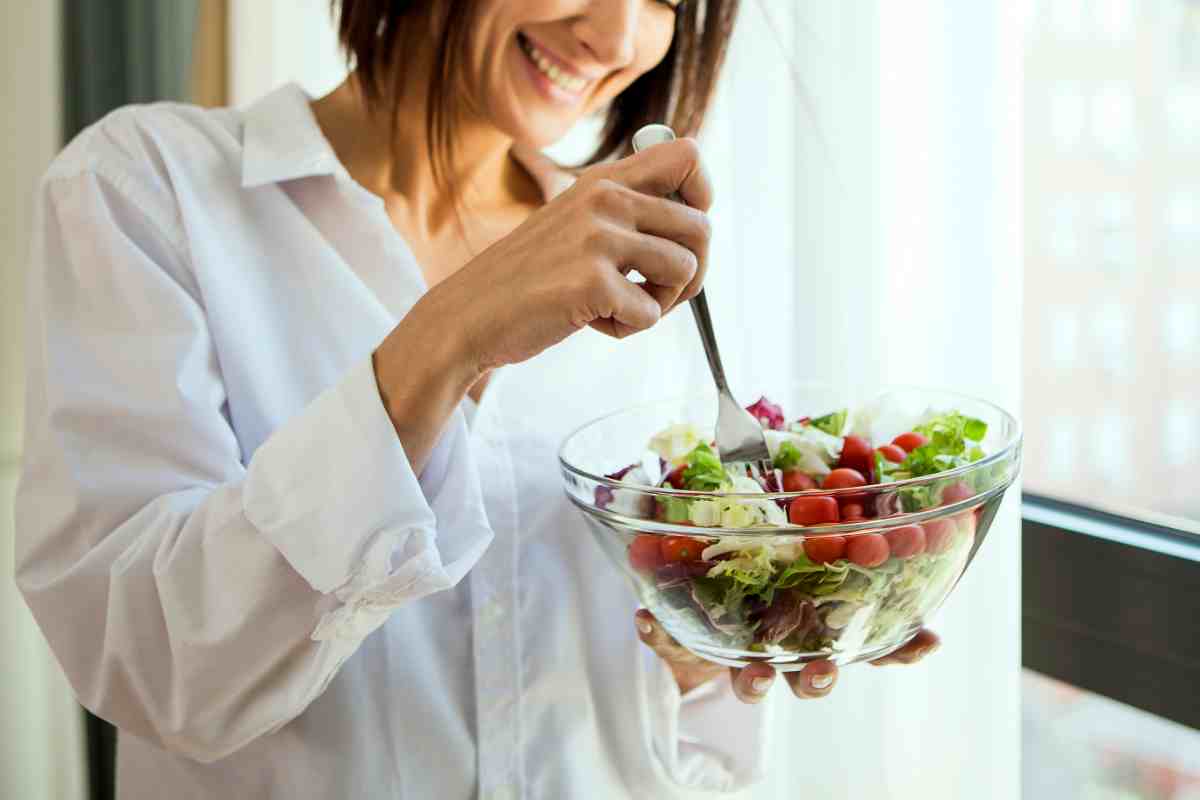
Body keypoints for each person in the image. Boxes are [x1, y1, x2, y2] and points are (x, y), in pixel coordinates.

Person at [15, 1, 939, 797]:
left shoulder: (632, 261)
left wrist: (713, 644)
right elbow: (145, 659)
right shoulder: (147, 188)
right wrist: (447, 338)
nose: (617, 33)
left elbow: (646, 722)